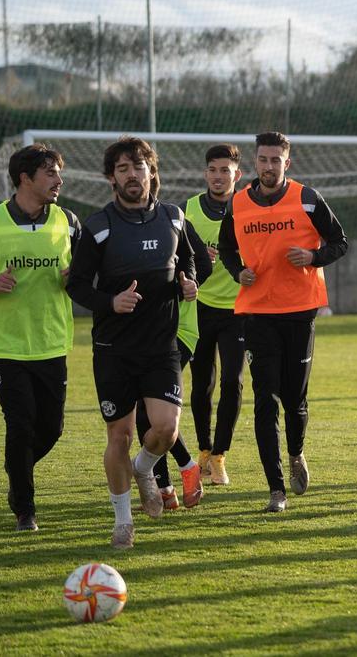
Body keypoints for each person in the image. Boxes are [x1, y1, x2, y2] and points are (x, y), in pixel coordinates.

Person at [67, 136, 198, 549]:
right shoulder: (99, 226)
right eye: (122, 169)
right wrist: (110, 301)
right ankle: (123, 521)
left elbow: (191, 260)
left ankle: (145, 468)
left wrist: (188, 281)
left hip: (161, 346)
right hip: (114, 350)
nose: (132, 175)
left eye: (138, 166)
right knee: (119, 435)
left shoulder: (174, 218)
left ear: (151, 172)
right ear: (111, 179)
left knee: (165, 428)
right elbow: (75, 285)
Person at [217, 131, 349, 513]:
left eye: (276, 160)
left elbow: (340, 241)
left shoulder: (307, 198)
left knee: (295, 399)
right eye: (263, 160)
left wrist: (313, 257)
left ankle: (296, 453)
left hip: (301, 310)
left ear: (287, 163)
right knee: (264, 399)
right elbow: (227, 246)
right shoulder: (238, 203)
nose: (269, 166)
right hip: (258, 313)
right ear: (254, 163)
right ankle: (276, 489)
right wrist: (237, 270)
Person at [0, 144, 79, 532]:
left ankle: (17, 467)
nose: (59, 180)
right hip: (5, 344)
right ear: (25, 178)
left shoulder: (69, 223)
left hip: (51, 340)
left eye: (58, 173)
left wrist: (75, 278)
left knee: (51, 428)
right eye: (50, 173)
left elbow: (90, 273)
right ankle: (25, 510)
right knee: (21, 423)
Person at [132, 190, 213, 510]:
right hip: (145, 332)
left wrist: (187, 285)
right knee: (147, 409)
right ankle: (170, 485)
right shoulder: (122, 226)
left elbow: (202, 264)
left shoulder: (173, 219)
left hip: (179, 329)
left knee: (149, 409)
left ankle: (177, 474)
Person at [187, 143, 245, 486]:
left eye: (225, 170)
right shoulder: (189, 210)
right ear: (205, 173)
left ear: (237, 174)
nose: (218, 176)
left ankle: (220, 456)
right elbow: (178, 255)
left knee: (233, 382)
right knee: (202, 384)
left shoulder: (248, 208)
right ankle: (204, 452)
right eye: (213, 170)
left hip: (239, 308)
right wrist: (197, 261)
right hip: (201, 308)